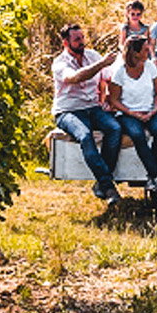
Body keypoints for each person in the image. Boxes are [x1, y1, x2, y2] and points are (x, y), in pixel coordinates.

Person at [52, 23, 123, 205]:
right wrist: (102, 64)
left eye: (82, 38)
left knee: (115, 128)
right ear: (66, 43)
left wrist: (110, 98)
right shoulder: (60, 62)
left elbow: (110, 76)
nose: (82, 42)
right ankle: (108, 187)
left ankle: (101, 182)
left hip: (93, 107)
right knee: (84, 136)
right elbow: (75, 77)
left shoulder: (92, 55)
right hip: (68, 110)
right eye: (77, 39)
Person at [106, 36, 157, 194]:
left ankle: (151, 179)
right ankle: (156, 176)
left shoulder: (150, 67)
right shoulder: (120, 72)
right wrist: (131, 113)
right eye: (146, 49)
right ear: (135, 53)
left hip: (150, 109)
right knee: (137, 134)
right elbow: (114, 100)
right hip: (128, 112)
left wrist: (154, 109)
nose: (149, 51)